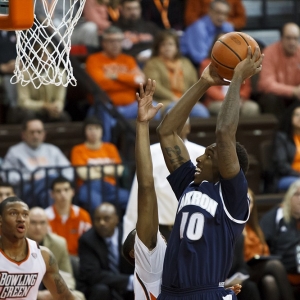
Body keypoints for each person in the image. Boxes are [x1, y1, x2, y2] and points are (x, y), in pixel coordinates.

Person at [155, 46, 262, 300]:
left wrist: (236, 77)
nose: (200, 156)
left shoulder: (233, 198)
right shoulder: (189, 183)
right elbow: (167, 132)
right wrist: (203, 83)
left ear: (226, 165)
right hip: (170, 293)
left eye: (210, 154)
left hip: (205, 294)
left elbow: (224, 133)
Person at [123, 116, 205, 242]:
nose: (175, 128)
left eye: (180, 124)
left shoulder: (202, 154)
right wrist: (127, 238)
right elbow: (138, 195)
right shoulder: (152, 152)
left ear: (188, 128)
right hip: (161, 231)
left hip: (194, 228)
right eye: (171, 124)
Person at [122, 79, 167, 299]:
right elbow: (146, 185)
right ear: (135, 252)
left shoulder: (158, 270)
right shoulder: (150, 263)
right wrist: (142, 125)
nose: (152, 233)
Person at [0, 197, 77, 299]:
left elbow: (65, 297)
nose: (21, 219)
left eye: (25, 214)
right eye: (13, 213)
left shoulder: (43, 255)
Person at [85, 25, 147, 142]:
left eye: (119, 41)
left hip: (131, 107)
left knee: (152, 107)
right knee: (103, 111)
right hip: (107, 107)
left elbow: (140, 81)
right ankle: (108, 149)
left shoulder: (128, 60)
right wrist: (128, 81)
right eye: (111, 41)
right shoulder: (94, 60)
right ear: (103, 43)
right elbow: (100, 84)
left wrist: (115, 76)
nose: (115, 44)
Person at [1, 118, 73, 208]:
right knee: (51, 179)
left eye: (39, 132)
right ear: (23, 134)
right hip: (27, 190)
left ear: (44, 134)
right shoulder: (14, 152)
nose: (36, 136)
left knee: (47, 194)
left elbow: (68, 171)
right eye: (32, 132)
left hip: (51, 191)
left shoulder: (53, 150)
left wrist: (59, 182)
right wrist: (28, 178)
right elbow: (7, 176)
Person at [242, 188, 295, 300]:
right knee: (275, 265)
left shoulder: (254, 228)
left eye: (250, 202)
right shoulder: (232, 227)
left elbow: (264, 252)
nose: (246, 205)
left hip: (257, 270)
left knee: (269, 282)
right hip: (241, 271)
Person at [143, 30, 210, 118]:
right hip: (164, 101)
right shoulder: (152, 63)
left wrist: (188, 98)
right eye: (163, 45)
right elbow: (155, 87)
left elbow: (195, 84)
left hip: (187, 100)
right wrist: (173, 97)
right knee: (173, 110)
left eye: (170, 44)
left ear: (176, 47)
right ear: (158, 47)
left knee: (202, 112)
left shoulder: (186, 63)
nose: (167, 47)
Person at [71, 116, 129, 213]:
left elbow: (119, 171)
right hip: (89, 187)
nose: (93, 132)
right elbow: (84, 174)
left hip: (110, 187)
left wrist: (97, 169)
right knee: (98, 206)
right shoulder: (78, 150)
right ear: (85, 131)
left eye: (97, 128)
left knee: (130, 198)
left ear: (102, 131)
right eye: (90, 129)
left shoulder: (110, 148)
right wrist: (108, 171)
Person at [78, 202, 134, 300]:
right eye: (97, 219)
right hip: (99, 287)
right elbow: (93, 275)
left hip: (127, 287)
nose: (102, 223)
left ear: (116, 219)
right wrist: (128, 281)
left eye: (106, 218)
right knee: (101, 289)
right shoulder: (87, 240)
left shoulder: (129, 236)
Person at [27, 207, 86, 300]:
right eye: (33, 222)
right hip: (24, 291)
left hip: (51, 289)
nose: (38, 227)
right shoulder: (14, 243)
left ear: (48, 225)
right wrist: (38, 295)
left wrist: (57, 292)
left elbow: (67, 275)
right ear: (26, 224)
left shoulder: (59, 243)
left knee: (79, 297)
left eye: (42, 223)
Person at [199, 33, 260, 117]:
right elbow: (209, 88)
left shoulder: (241, 63)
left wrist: (240, 98)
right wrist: (230, 101)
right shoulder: (206, 63)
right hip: (216, 101)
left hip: (239, 100)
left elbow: (246, 86)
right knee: (224, 108)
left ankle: (244, 130)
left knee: (252, 108)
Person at [260, 180, 300, 299]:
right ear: (289, 197)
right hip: (283, 270)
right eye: (297, 195)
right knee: (270, 278)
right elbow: (261, 244)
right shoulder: (276, 216)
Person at [257, 22, 300, 120]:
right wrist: (293, 91)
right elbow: (266, 84)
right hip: (275, 97)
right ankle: (276, 134)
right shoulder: (269, 52)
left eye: (295, 38)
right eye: (288, 38)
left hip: (295, 97)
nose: (292, 42)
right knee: (271, 98)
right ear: (281, 38)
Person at [45, 176, 92, 256]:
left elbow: (90, 242)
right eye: (58, 191)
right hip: (54, 260)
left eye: (66, 190)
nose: (63, 194)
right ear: (52, 194)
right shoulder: (45, 216)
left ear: (72, 192)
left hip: (79, 259)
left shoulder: (83, 215)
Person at [180, 0, 234, 67]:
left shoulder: (228, 27)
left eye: (225, 14)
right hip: (191, 63)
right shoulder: (198, 28)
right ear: (210, 11)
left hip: (214, 62)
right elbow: (199, 58)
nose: (221, 17)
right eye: (218, 12)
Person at [114, 0, 161, 66]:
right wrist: (135, 57)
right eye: (129, 9)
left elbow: (162, 44)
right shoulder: (115, 30)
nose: (133, 12)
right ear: (122, 10)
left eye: (136, 8)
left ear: (140, 9)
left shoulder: (151, 27)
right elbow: (113, 52)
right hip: (127, 64)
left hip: (153, 62)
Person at [272, 102, 300, 191]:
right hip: (287, 177)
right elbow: (282, 165)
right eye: (297, 115)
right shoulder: (282, 138)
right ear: (290, 117)